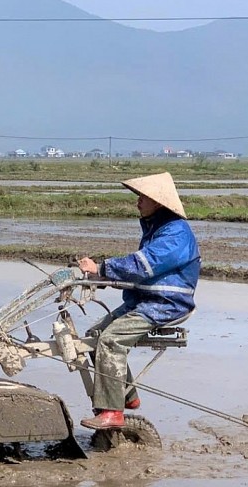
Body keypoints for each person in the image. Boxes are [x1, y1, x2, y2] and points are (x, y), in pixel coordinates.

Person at [77, 172, 200, 429]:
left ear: (158, 201)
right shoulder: (157, 229)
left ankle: (112, 412)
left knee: (111, 341)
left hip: (166, 304)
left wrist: (101, 268)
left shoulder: (175, 234)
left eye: (143, 197)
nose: (138, 202)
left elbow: (143, 265)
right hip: (145, 300)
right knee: (94, 335)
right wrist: (102, 278)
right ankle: (127, 396)